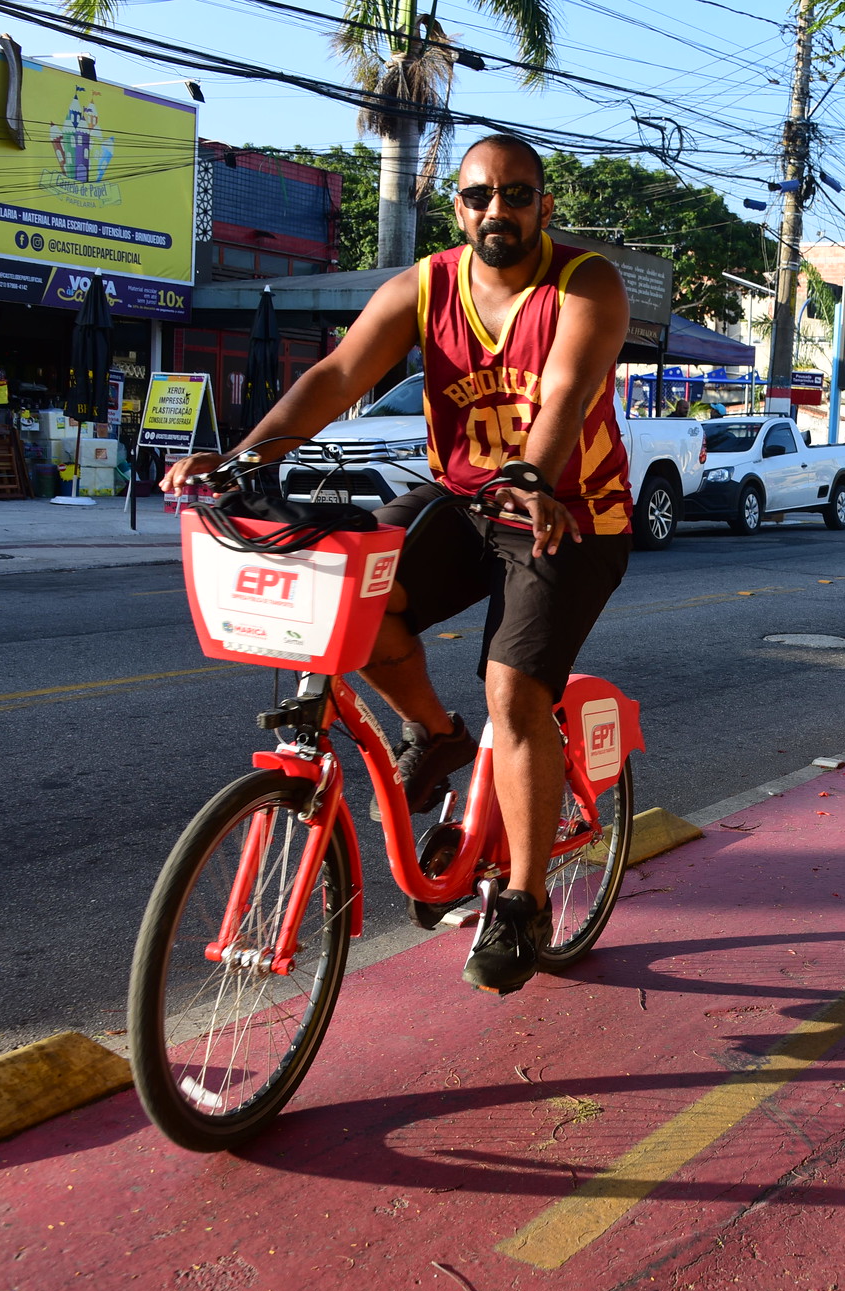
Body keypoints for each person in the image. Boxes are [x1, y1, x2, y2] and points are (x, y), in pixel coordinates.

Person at [164, 133, 634, 997]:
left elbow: (567, 390)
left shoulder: (584, 282)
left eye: (517, 194)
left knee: (514, 693)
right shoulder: (425, 286)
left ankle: (523, 902)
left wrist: (533, 473)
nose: (498, 210)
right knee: (353, 600)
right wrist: (238, 460)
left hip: (570, 514)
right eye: (479, 195)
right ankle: (436, 732)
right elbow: (339, 373)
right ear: (458, 207)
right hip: (465, 500)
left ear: (544, 205)